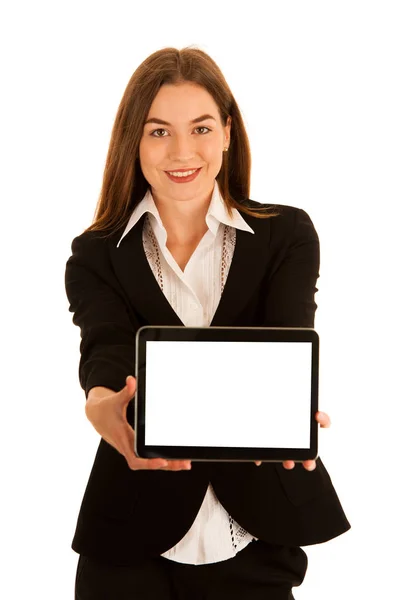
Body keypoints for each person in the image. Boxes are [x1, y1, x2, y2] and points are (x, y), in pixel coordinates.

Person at [65, 46, 351, 600]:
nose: (182, 151)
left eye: (199, 128)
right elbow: (106, 351)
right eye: (157, 132)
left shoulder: (286, 236)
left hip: (257, 531)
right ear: (134, 141)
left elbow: (287, 343)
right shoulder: (96, 254)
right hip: (128, 539)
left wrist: (290, 407)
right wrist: (102, 403)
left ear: (226, 131)